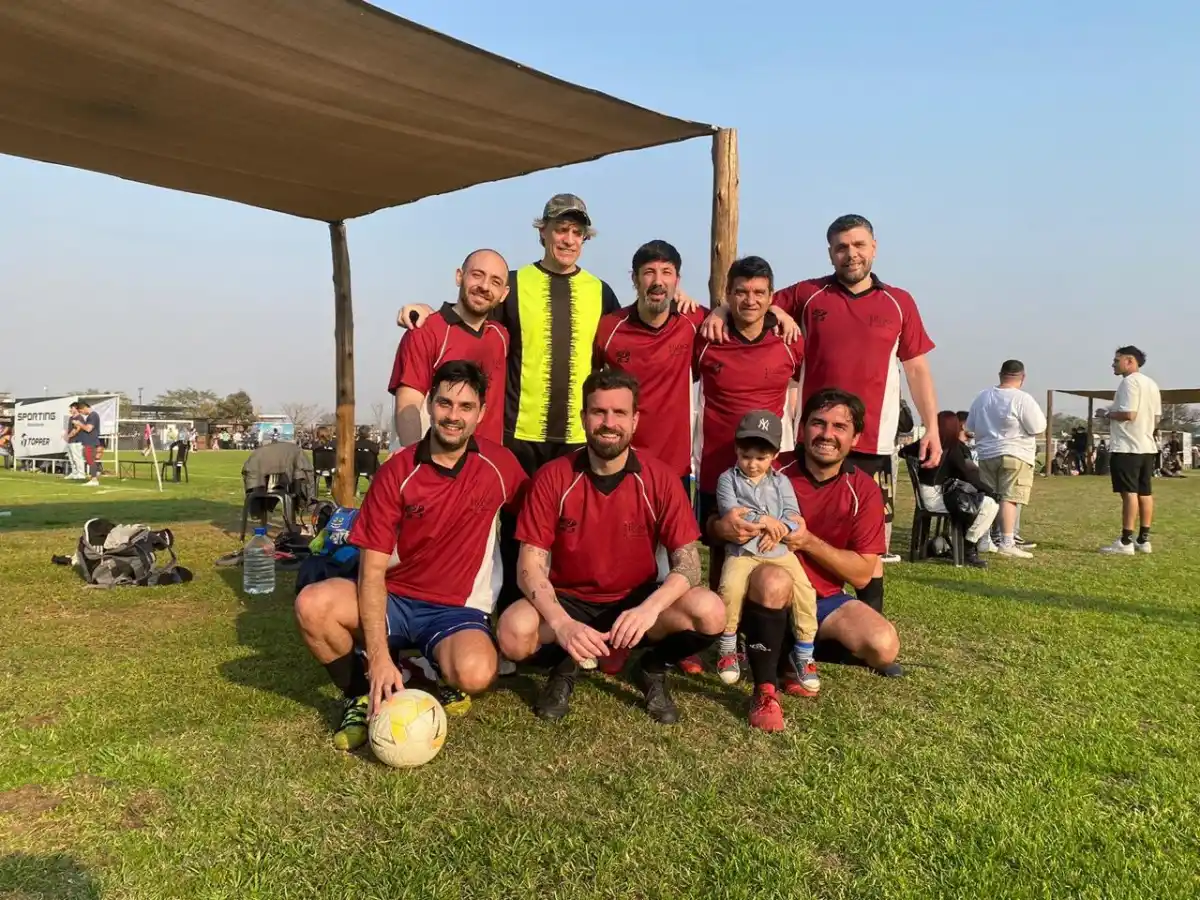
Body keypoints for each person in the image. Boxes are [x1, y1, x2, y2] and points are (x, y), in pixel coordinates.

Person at [708, 215, 941, 610]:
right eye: (841, 247)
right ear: (830, 252)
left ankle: (870, 618)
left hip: (873, 443)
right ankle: (789, 616)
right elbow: (750, 301)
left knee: (870, 541)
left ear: (874, 247)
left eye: (858, 245)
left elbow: (917, 368)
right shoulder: (808, 294)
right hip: (814, 442)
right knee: (795, 529)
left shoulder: (899, 302)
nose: (851, 254)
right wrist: (718, 312)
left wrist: (932, 428)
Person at [293, 361, 527, 751]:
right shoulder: (396, 472)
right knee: (312, 605)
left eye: (466, 407)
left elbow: (539, 516)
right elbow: (370, 573)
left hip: (458, 608)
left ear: (481, 414)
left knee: (477, 674)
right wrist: (379, 660)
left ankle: (420, 671)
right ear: (430, 406)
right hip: (395, 598)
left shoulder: (499, 466)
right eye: (445, 403)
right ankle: (360, 692)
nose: (454, 416)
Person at [496, 369, 724, 724]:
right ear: (584, 417)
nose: (608, 422)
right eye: (599, 412)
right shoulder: (553, 476)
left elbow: (690, 565)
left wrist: (649, 609)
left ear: (634, 420)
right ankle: (566, 663)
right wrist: (561, 623)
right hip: (568, 599)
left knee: (710, 611)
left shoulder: (659, 477)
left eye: (619, 413)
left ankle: (650, 667)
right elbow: (529, 566)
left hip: (635, 600)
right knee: (512, 633)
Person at [710, 388, 899, 731]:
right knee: (774, 580)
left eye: (839, 427)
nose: (827, 434)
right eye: (818, 423)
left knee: (883, 646)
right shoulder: (769, 463)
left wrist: (809, 542)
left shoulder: (864, 490)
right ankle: (766, 687)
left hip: (823, 598)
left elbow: (861, 574)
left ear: (855, 437)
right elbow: (713, 521)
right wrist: (723, 527)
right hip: (765, 584)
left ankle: (791, 649)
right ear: (801, 429)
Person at [694, 256, 804, 595]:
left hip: (765, 466)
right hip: (717, 462)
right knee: (721, 544)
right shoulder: (707, 337)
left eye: (759, 292)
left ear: (772, 297)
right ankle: (718, 627)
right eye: (741, 292)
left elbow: (801, 387)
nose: (750, 300)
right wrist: (717, 313)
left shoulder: (790, 340)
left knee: (768, 546)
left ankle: (761, 629)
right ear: (728, 294)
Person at [714, 410, 819, 692]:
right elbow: (733, 514)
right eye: (746, 456)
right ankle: (727, 648)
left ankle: (804, 653)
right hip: (742, 550)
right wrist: (767, 522)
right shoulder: (727, 479)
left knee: (805, 591)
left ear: (773, 456)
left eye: (760, 458)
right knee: (730, 589)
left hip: (779, 550)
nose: (752, 464)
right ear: (737, 450)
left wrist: (779, 529)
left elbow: (793, 516)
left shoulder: (781, 481)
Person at [593, 240, 706, 488]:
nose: (658, 281)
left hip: (677, 467)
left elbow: (742, 313)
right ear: (635, 279)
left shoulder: (694, 321)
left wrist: (722, 311)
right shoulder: (610, 327)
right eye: (649, 272)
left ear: (677, 280)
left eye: (666, 272)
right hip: (621, 462)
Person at [389, 249, 510, 448]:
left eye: (495, 281)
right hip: (441, 461)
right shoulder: (425, 331)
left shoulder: (501, 336)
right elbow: (409, 403)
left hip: (488, 465)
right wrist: (416, 461)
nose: (484, 286)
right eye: (477, 275)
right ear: (459, 276)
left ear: (504, 294)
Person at [966, 360, 1046, 559]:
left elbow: (970, 426)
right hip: (1015, 453)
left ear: (1000, 374)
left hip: (986, 454)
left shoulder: (982, 397)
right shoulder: (1022, 399)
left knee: (989, 498)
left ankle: (985, 540)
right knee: (1009, 498)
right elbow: (1037, 427)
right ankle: (1007, 541)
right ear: (1022, 377)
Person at [900, 411, 998, 567]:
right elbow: (969, 476)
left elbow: (902, 452)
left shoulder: (925, 443)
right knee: (989, 505)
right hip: (938, 498)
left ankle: (947, 544)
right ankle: (968, 546)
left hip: (924, 497)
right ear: (955, 427)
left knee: (972, 502)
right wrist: (991, 492)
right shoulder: (953, 449)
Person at [1099, 345, 1162, 554]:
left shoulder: (1129, 382)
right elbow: (1156, 418)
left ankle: (1125, 541)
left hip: (1128, 446)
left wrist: (1107, 414)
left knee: (1129, 494)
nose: (1113, 364)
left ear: (1129, 361)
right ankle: (1143, 539)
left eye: (1116, 360)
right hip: (1146, 446)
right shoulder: (1152, 384)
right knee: (1145, 492)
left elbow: (1129, 414)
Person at [75, 400, 102, 486]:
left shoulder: (93, 415)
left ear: (84, 408)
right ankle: (94, 476)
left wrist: (79, 424)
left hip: (90, 442)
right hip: (88, 441)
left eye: (81, 411)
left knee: (90, 460)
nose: (81, 413)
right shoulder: (91, 416)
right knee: (89, 459)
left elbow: (88, 429)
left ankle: (94, 479)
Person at [63, 402, 86, 480]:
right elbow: (69, 429)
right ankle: (74, 472)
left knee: (78, 458)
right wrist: (67, 436)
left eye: (72, 408)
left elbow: (77, 429)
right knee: (71, 458)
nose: (70, 410)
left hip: (77, 441)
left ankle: (81, 474)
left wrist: (69, 436)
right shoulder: (71, 418)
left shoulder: (80, 418)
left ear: (76, 408)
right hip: (71, 441)